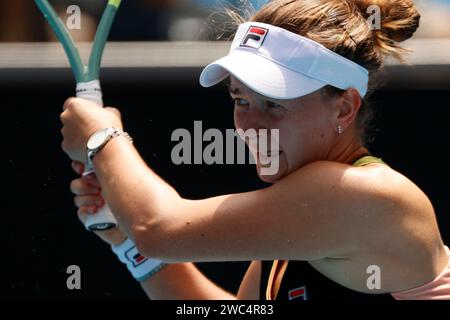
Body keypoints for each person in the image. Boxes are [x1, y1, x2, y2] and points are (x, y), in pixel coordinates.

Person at [59, 0, 450, 300]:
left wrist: (101, 137)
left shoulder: (366, 195)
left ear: (344, 108)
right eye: (241, 100)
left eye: (274, 104)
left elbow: (160, 229)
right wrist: (127, 243)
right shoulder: (295, 215)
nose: (250, 125)